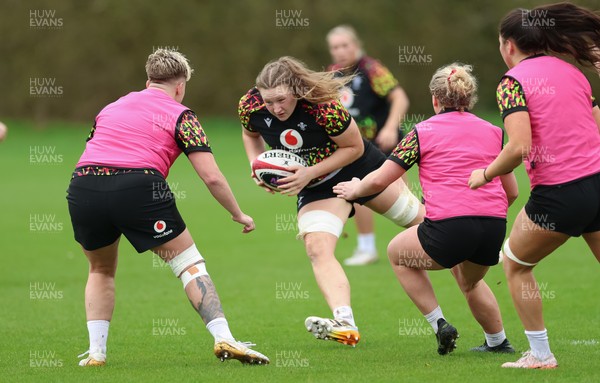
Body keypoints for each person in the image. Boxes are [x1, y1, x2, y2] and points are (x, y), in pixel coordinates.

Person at [67, 49, 269, 366]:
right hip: (137, 185)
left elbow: (96, 147)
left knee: (101, 269)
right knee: (189, 264)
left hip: (83, 185)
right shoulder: (181, 115)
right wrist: (237, 213)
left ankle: (96, 353)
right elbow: (212, 177)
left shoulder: (112, 107)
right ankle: (225, 338)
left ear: (148, 80)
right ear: (180, 85)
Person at [239, 56, 424, 347]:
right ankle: (345, 323)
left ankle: (477, 245)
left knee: (421, 222)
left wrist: (308, 172)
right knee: (316, 247)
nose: (275, 108)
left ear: (296, 89)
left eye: (281, 100)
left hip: (360, 170)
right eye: (268, 101)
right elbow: (250, 135)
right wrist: (257, 166)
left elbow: (354, 147)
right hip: (315, 186)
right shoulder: (250, 106)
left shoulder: (323, 107)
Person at [334, 63, 518, 356]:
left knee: (397, 254)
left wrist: (355, 189)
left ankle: (440, 324)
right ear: (469, 98)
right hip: (493, 225)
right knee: (469, 281)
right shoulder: (494, 132)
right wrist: (482, 214)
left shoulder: (422, 131)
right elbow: (513, 191)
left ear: (435, 100)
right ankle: (498, 342)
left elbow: (382, 178)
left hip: (449, 227)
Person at [468, 2, 600, 369]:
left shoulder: (512, 83)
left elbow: (519, 147)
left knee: (515, 265)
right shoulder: (571, 70)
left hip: (560, 193)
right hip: (597, 182)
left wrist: (485, 174)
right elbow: (594, 117)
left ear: (509, 45)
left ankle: (540, 355)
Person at [327, 25, 410, 265]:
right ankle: (367, 248)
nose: (341, 51)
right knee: (358, 192)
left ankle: (425, 238)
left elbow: (400, 98)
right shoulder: (332, 74)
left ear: (356, 45)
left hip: (385, 143)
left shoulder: (372, 69)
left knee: (405, 198)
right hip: (357, 148)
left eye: (345, 45)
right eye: (335, 47)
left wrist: (390, 127)